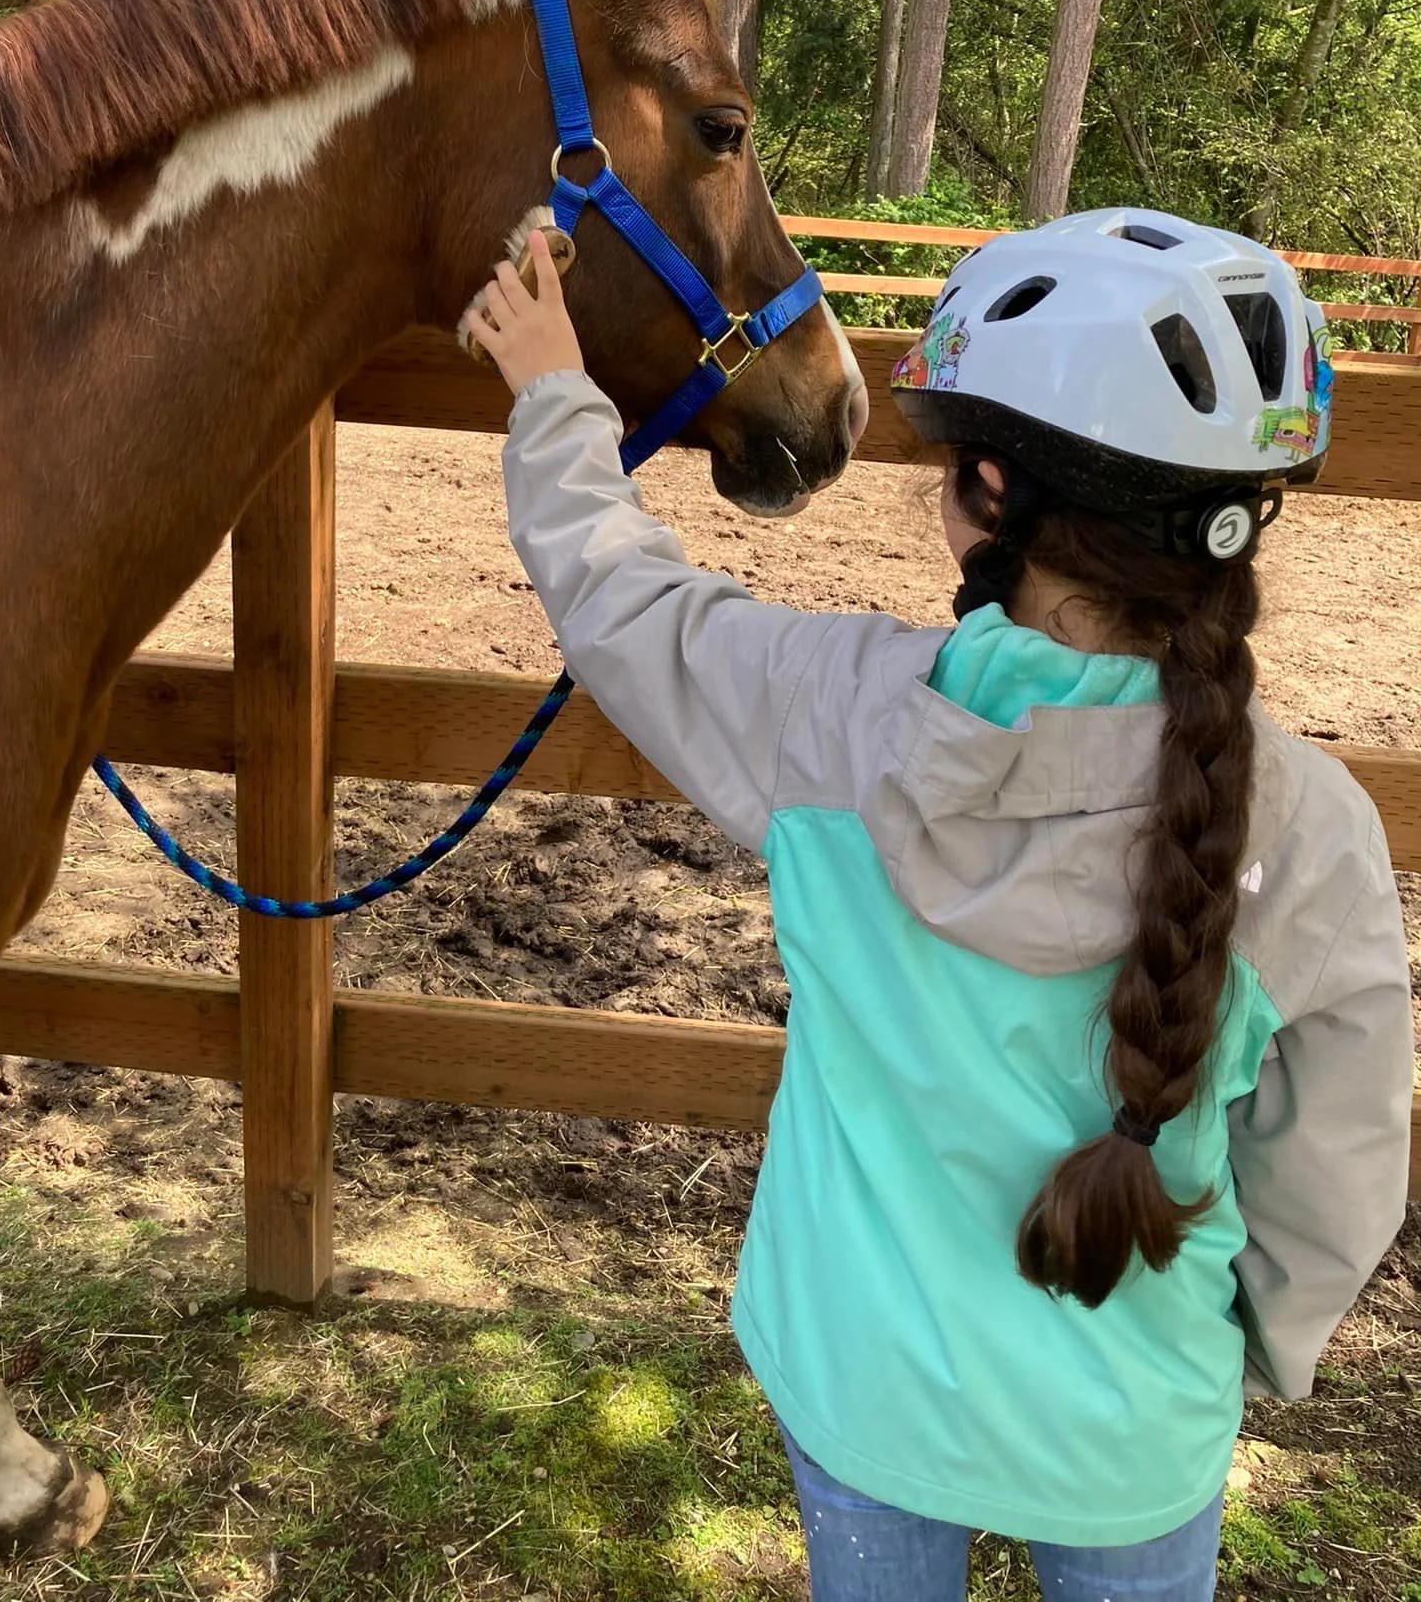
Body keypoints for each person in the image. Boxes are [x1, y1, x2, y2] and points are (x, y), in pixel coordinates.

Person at [464, 208, 1413, 1602]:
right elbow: (1340, 1162)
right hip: (1133, 1428)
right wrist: (1249, 1347)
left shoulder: (834, 721)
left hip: (868, 1390)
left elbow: (625, 602)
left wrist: (554, 389)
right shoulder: (1313, 831)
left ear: (983, 491)